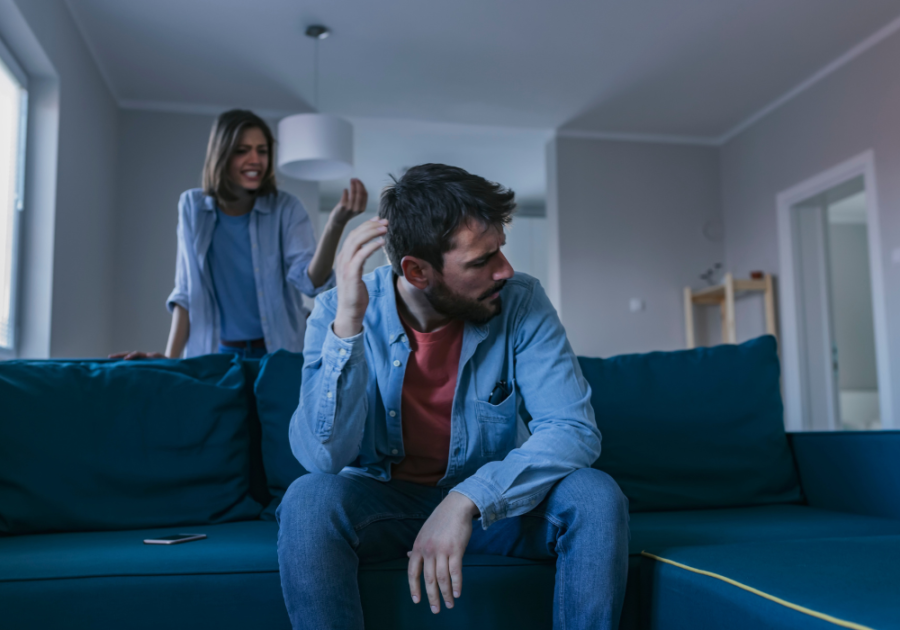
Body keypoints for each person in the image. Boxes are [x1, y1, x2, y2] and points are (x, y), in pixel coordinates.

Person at [276, 163, 629, 629]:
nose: (506, 270)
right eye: (482, 261)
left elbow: (573, 430)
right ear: (417, 271)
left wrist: (466, 500)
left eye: (500, 249)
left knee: (596, 495)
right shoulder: (337, 311)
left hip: (494, 505)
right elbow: (323, 456)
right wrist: (348, 326)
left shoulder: (521, 301)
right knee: (307, 500)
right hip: (383, 502)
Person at [110, 109, 367, 360]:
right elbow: (186, 293)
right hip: (218, 352)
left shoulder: (286, 207)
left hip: (280, 350)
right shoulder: (192, 207)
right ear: (221, 155)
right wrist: (170, 361)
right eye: (242, 151)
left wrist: (334, 225)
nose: (255, 159)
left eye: (262, 150)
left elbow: (310, 283)